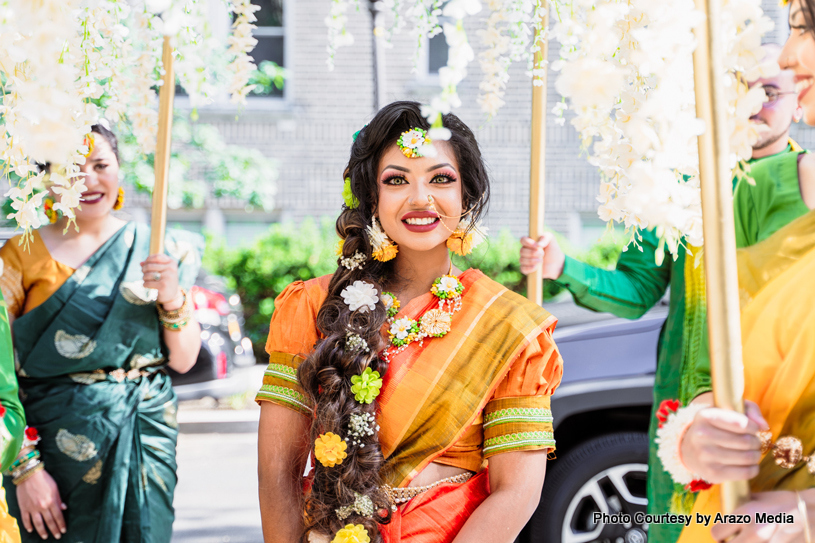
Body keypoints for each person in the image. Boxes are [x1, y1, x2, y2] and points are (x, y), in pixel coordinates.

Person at [518, 44, 812, 543]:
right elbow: (635, 291)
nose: (755, 102)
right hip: (687, 404)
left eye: (771, 91)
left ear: (799, 97)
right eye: (742, 87)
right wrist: (563, 266)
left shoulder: (806, 186)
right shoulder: (680, 187)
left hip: (790, 401)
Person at [256, 101, 564, 543]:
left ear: (467, 196)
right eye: (396, 180)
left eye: (441, 179)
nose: (420, 198)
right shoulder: (311, 307)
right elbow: (276, 473)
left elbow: (516, 492)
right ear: (371, 198)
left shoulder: (508, 325)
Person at [0, 124, 202, 542]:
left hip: (145, 432)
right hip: (55, 450)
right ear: (45, 179)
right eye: (71, 168)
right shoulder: (18, 256)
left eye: (100, 164)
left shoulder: (155, 248)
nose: (88, 180)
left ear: (119, 170)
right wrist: (25, 470)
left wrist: (170, 295)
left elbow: (183, 360)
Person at [668, 2, 815, 540]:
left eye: (806, 28)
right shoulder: (739, 193)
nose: (788, 53)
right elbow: (710, 369)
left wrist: (801, 517)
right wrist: (698, 431)